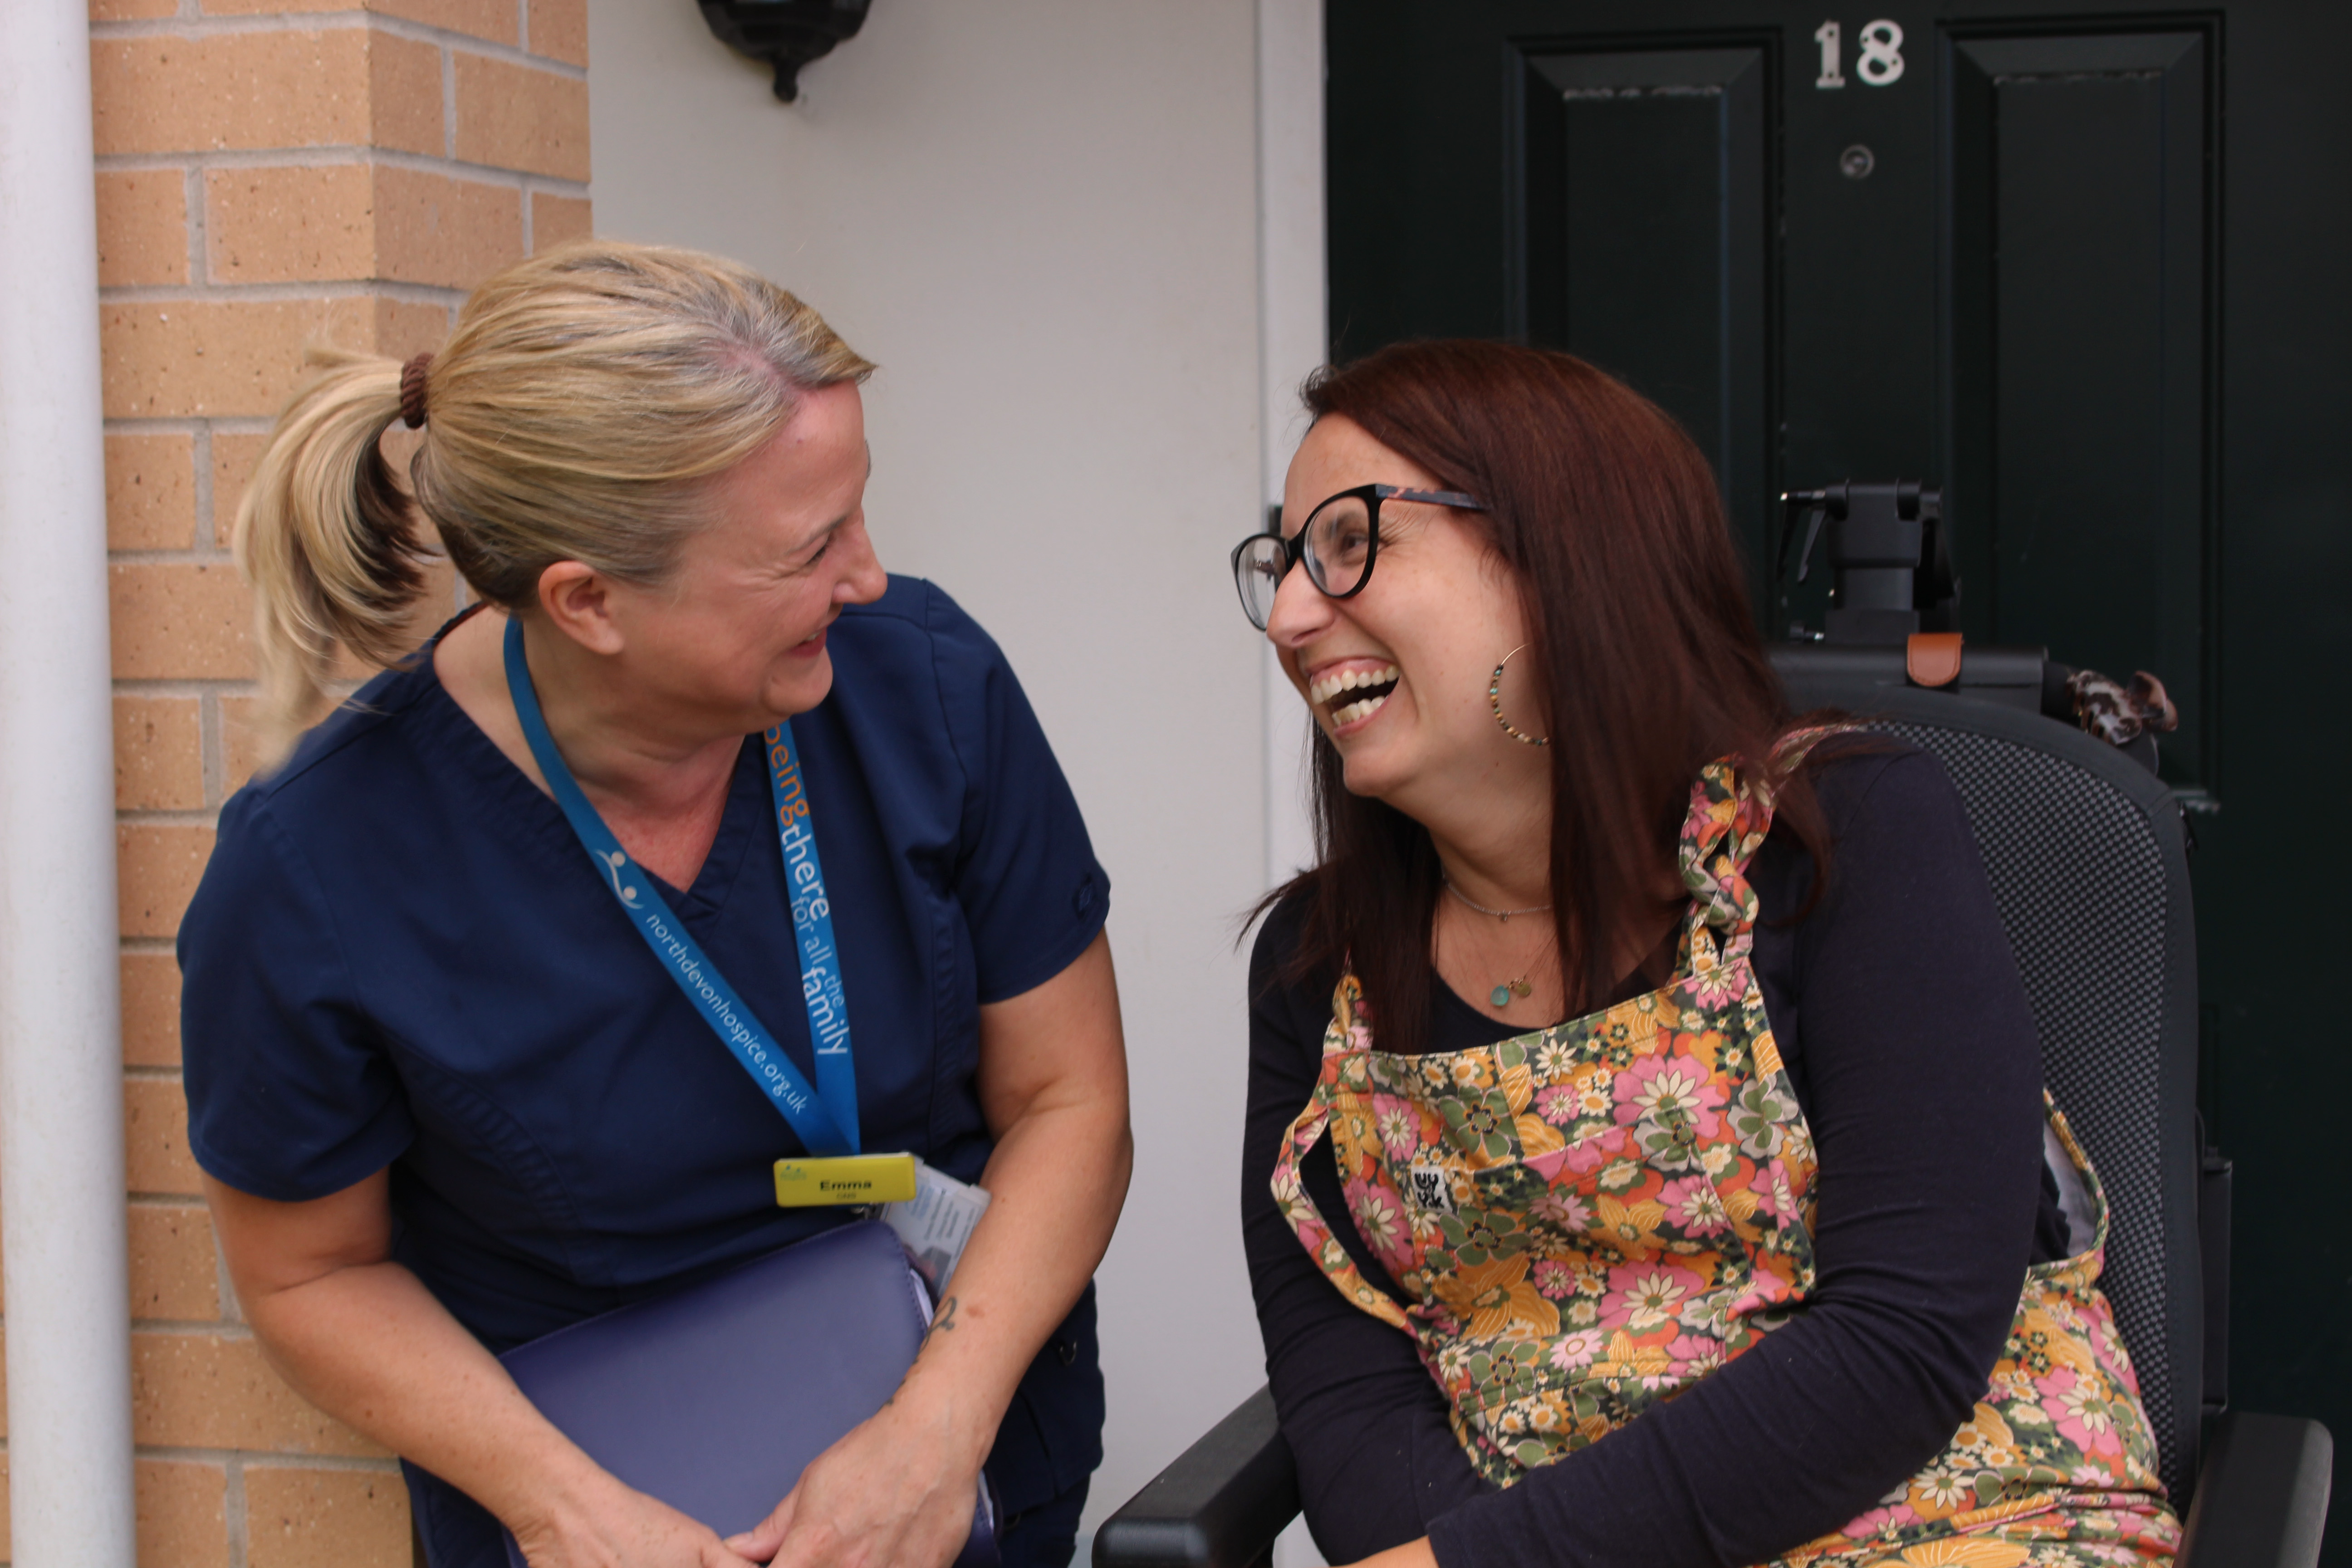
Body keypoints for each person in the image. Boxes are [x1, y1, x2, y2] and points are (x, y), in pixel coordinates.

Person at [180, 240, 1132, 1568]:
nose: (865, 576)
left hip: (964, 1473)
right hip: (597, 1512)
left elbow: (1070, 1104)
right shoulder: (315, 866)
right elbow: (307, 1273)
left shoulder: (923, 684)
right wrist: (563, 1510)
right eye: (810, 547)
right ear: (589, 601)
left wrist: (940, 1428)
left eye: (858, 512)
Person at [1232, 340, 2179, 1568]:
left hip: (1955, 1522)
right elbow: (1349, 1403)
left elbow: (1905, 1337)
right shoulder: (1317, 974)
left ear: (1556, 552)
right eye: (1286, 564)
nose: (1296, 614)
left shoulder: (1839, 838)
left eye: (1352, 544)